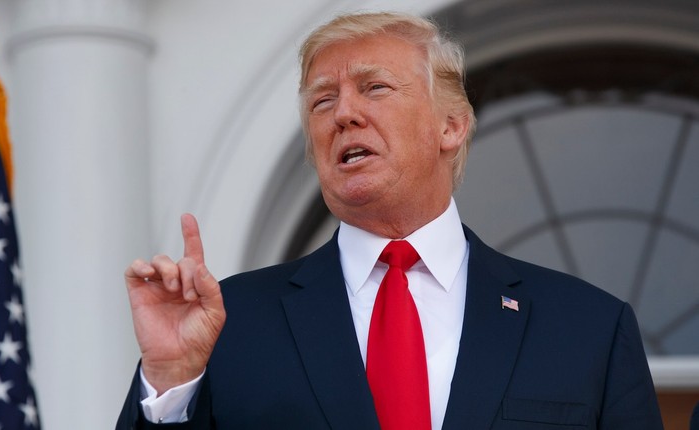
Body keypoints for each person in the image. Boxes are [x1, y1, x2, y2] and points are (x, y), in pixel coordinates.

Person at [116, 11, 663, 430]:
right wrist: (172, 383)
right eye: (321, 101)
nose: (344, 113)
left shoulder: (588, 329)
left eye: (374, 88)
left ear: (450, 127)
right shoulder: (228, 325)